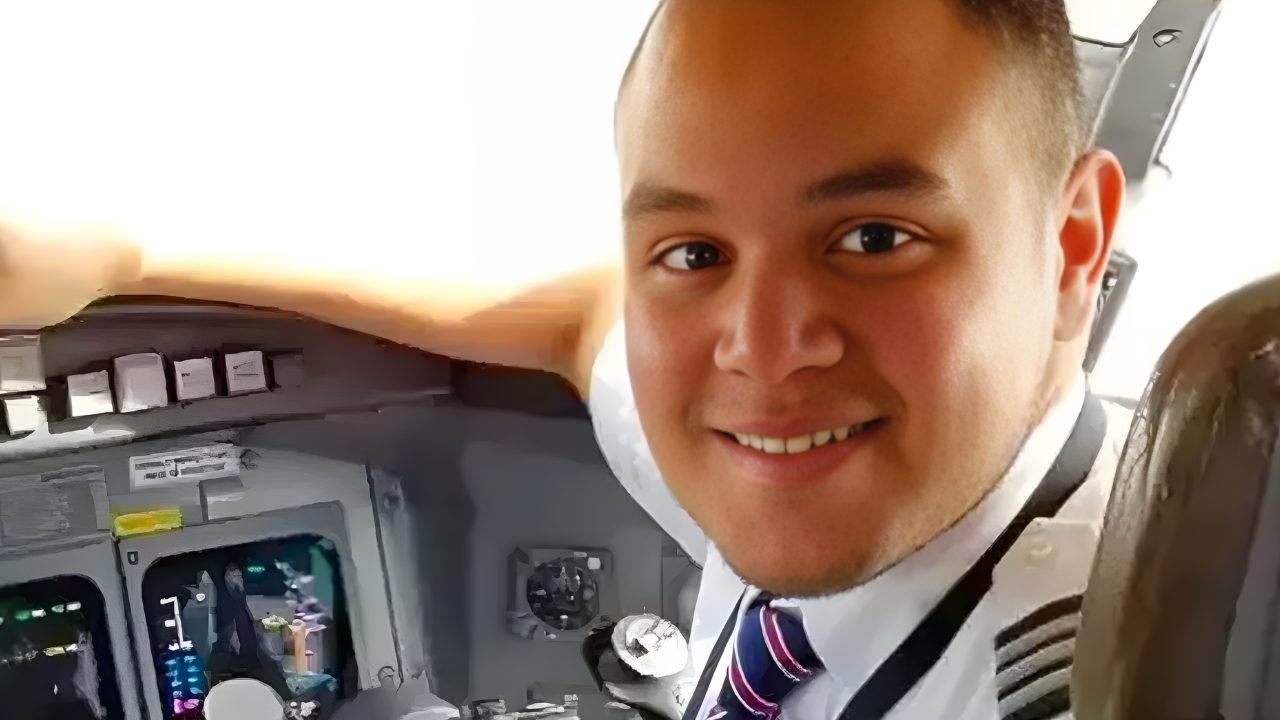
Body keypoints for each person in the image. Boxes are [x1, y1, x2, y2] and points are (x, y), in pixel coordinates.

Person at [0, 0, 1132, 717]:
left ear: (1073, 244)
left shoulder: (1106, 669)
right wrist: (125, 254)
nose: (760, 351)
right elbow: (575, 311)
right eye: (694, 251)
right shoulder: (838, 475)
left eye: (873, 239)